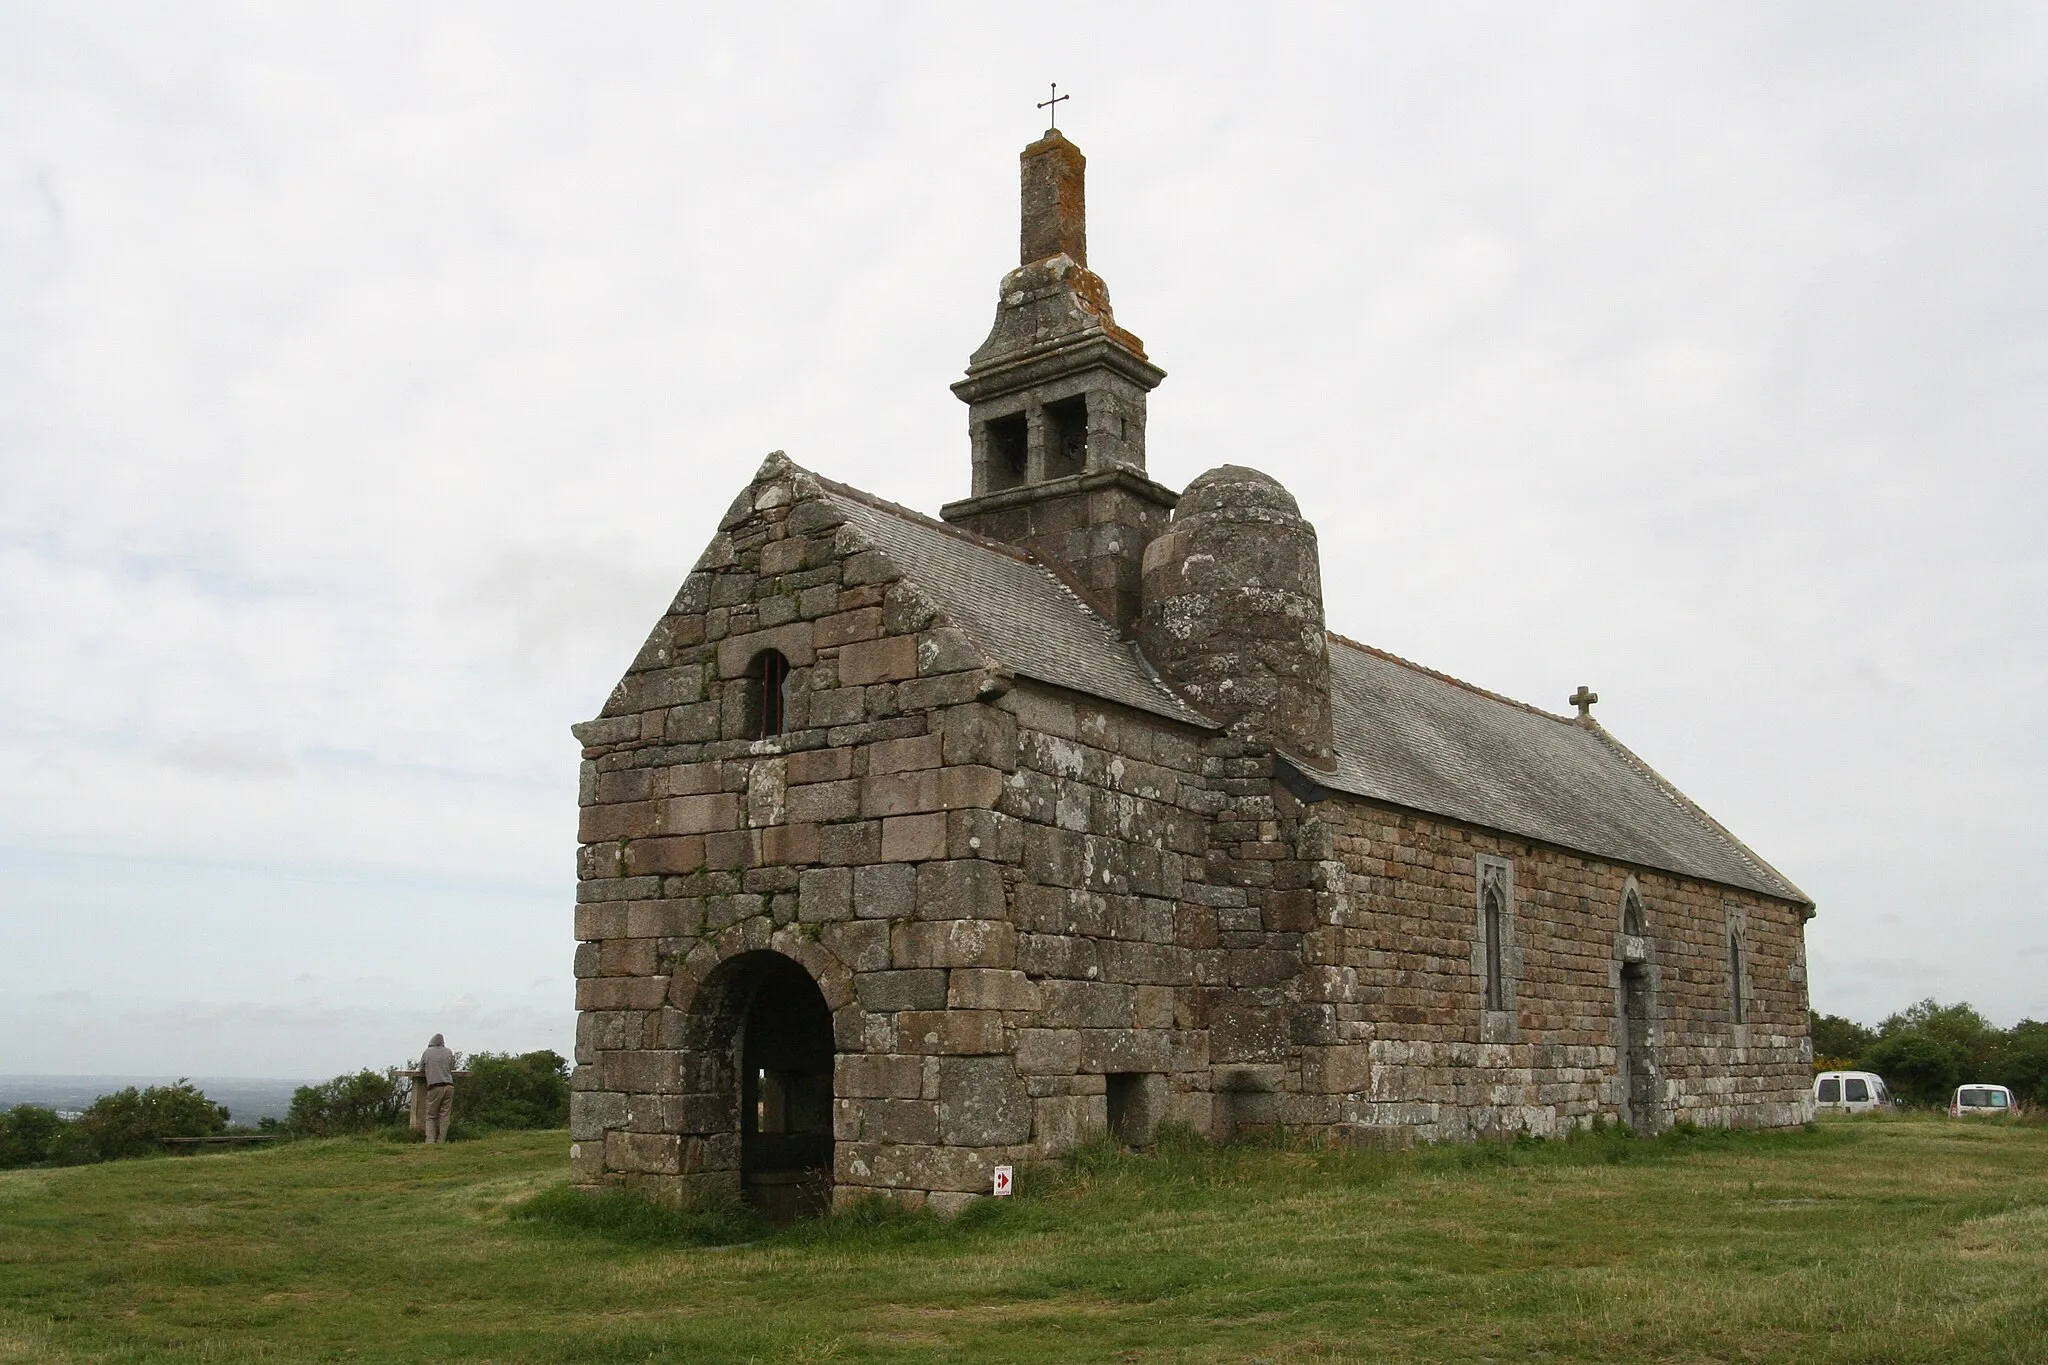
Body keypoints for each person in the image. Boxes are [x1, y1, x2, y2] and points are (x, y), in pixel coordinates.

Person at [419, 1033, 457, 1143]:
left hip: (434, 1086)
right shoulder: (448, 1052)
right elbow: (451, 1066)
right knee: (445, 1115)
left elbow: (421, 1068)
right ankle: (441, 1140)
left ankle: (430, 1141)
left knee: (431, 1115)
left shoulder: (427, 1052)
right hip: (449, 1085)